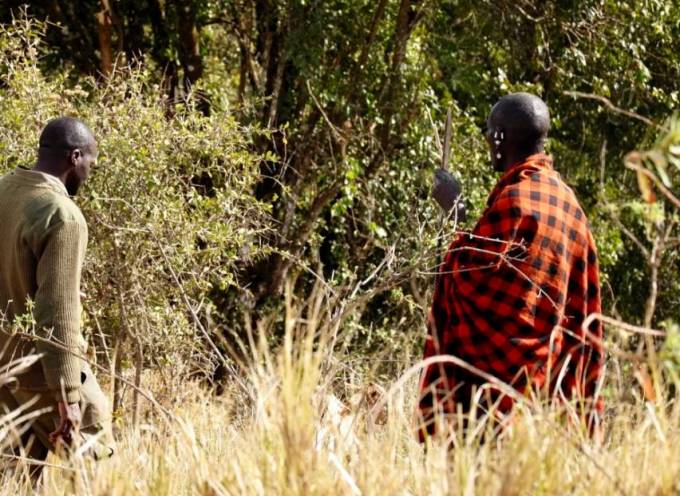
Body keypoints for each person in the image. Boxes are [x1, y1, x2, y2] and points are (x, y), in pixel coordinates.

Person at [419, 93, 604, 440]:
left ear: (500, 137)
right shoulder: (568, 203)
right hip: (547, 386)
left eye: (490, 131)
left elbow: (470, 280)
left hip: (494, 393)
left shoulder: (516, 201)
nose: (488, 139)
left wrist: (456, 212)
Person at [0, 117, 113, 477]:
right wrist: (68, 397)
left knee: (15, 475)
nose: (89, 174)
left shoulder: (5, 190)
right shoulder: (62, 216)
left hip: (4, 368)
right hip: (40, 372)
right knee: (97, 462)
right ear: (74, 157)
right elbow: (57, 313)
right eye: (90, 164)